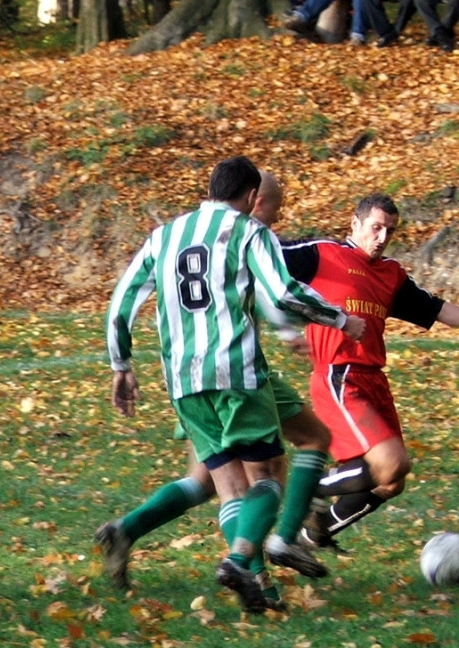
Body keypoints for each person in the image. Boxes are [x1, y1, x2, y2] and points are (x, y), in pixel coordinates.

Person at [104, 156, 366, 614]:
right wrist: (341, 319)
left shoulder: (165, 235)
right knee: (263, 479)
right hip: (236, 373)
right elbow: (282, 291)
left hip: (184, 380)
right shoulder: (249, 232)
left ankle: (257, 580)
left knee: (222, 480)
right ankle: (247, 559)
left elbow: (123, 298)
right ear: (250, 197)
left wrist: (121, 363)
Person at [278, 194, 459, 549]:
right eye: (375, 228)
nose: (381, 238)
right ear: (355, 224)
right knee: (390, 463)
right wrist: (287, 327)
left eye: (389, 231)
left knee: (391, 481)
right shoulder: (323, 254)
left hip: (374, 380)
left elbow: (434, 308)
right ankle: (304, 489)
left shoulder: (390, 274)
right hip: (339, 376)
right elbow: (265, 266)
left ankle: (311, 536)